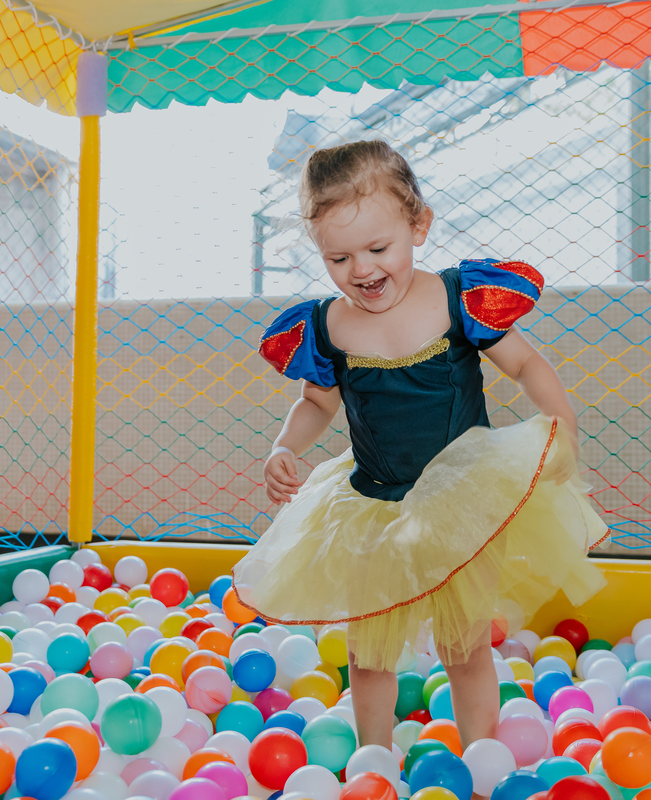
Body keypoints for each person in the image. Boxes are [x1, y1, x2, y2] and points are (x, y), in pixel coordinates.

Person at [232, 140, 608, 752]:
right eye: (339, 258)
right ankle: (374, 756)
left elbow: (526, 364)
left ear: (419, 226)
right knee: (369, 652)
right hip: (373, 508)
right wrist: (284, 446)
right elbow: (317, 402)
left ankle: (480, 753)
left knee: (465, 646)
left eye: (378, 249)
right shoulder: (329, 326)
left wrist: (560, 418)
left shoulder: (457, 300)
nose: (362, 270)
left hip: (465, 502)